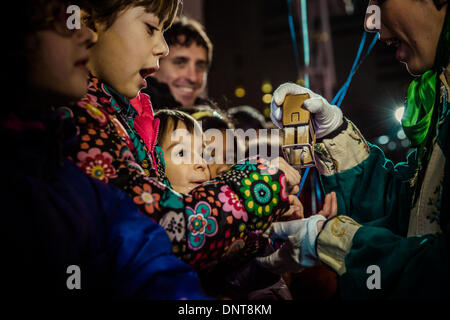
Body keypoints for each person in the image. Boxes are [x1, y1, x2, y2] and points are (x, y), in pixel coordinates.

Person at [65, 0, 300, 273]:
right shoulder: (81, 118)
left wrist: (266, 237)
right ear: (89, 24)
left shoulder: (122, 115)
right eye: (151, 28)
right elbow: (164, 227)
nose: (162, 48)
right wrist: (258, 189)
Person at [1, 0, 206, 299]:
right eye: (61, 19)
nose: (86, 34)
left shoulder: (52, 152)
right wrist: (260, 185)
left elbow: (142, 250)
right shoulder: (80, 122)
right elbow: (158, 222)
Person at [262, 0, 450, 299]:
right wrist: (333, 132)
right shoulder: (443, 97)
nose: (371, 23)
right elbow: (414, 211)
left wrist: (337, 241)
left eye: (378, 0)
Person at [142, 16, 212, 109]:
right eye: (180, 63)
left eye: (200, 66)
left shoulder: (206, 119)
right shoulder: (130, 117)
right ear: (153, 65)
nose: (193, 77)